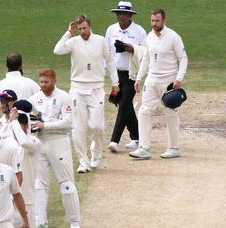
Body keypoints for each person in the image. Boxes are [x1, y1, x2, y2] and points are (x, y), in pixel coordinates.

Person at [54, 15, 119, 173]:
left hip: (96, 88)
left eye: (84, 28)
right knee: (78, 127)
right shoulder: (73, 41)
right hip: (77, 88)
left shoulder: (100, 40)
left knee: (97, 126)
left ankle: (96, 154)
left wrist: (115, 83)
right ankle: (84, 162)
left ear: (90, 26)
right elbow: (57, 50)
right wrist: (68, 33)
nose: (82, 31)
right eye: (80, 28)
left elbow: (110, 61)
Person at [29, 68, 82, 228]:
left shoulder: (64, 97)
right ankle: (40, 221)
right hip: (40, 143)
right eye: (41, 82)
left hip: (58, 142)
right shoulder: (34, 99)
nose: (43, 85)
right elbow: (30, 120)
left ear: (54, 81)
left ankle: (74, 221)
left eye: (47, 82)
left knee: (66, 184)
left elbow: (68, 122)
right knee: (39, 185)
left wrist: (46, 125)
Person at [130, 8, 188, 160]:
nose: (154, 24)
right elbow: (146, 58)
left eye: (157, 21)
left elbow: (183, 58)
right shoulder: (149, 36)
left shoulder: (173, 37)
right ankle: (144, 148)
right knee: (144, 111)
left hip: (169, 81)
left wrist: (179, 78)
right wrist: (138, 78)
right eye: (152, 21)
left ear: (164, 20)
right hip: (151, 80)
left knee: (170, 113)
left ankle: (174, 148)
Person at [7, 101, 42, 228]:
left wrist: (13, 121)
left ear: (27, 124)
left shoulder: (34, 143)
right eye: (17, 121)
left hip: (26, 201)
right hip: (5, 201)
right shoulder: (7, 145)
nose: (18, 125)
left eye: (22, 121)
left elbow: (23, 140)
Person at [105, 1, 147, 153]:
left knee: (123, 105)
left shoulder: (139, 31)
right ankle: (137, 138)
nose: (121, 16)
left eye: (124, 13)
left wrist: (131, 49)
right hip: (116, 74)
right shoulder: (111, 30)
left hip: (132, 73)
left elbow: (145, 53)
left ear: (130, 15)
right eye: (119, 13)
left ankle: (114, 141)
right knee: (125, 105)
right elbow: (107, 51)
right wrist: (106, 72)